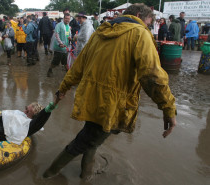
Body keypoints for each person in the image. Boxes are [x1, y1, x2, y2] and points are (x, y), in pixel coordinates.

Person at [43, 3, 177, 181]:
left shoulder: (100, 32)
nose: (148, 26)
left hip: (91, 98)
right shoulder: (140, 33)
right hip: (113, 103)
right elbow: (152, 76)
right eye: (148, 22)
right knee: (84, 141)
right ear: (139, 15)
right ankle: (48, 175)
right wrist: (168, 108)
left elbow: (78, 66)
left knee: (92, 138)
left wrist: (64, 87)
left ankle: (86, 174)